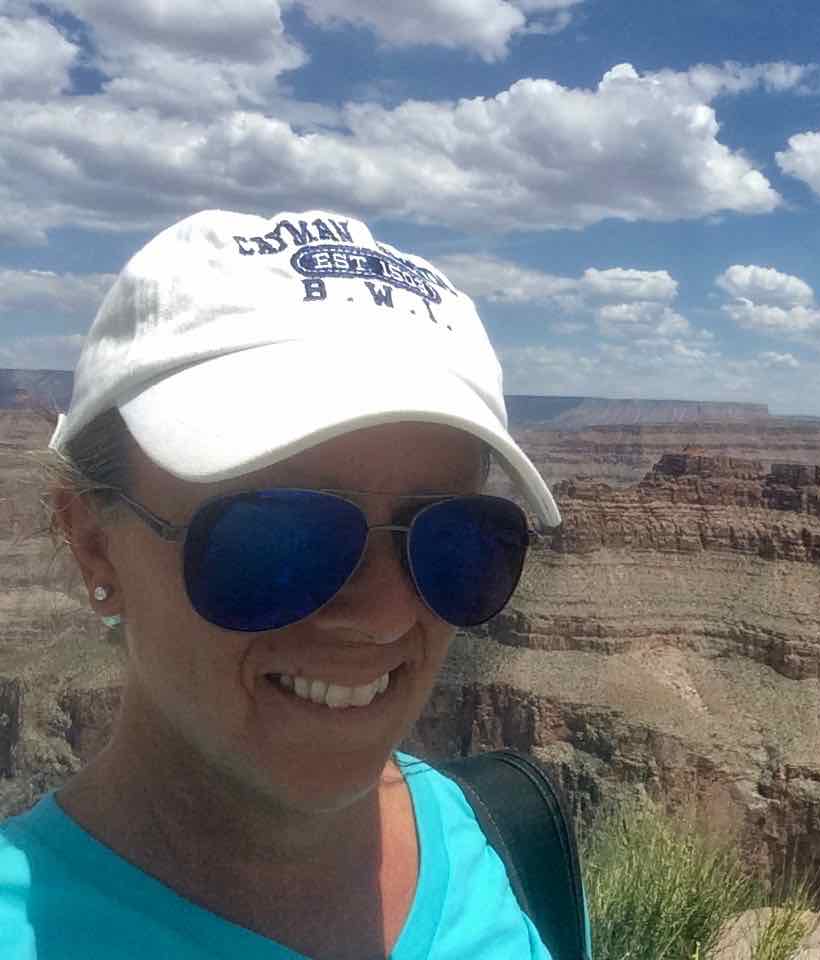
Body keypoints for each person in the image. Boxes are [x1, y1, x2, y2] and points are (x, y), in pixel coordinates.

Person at [0, 209, 571, 959]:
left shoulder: (490, 839)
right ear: (94, 544)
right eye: (276, 538)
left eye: (453, 539)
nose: (384, 615)